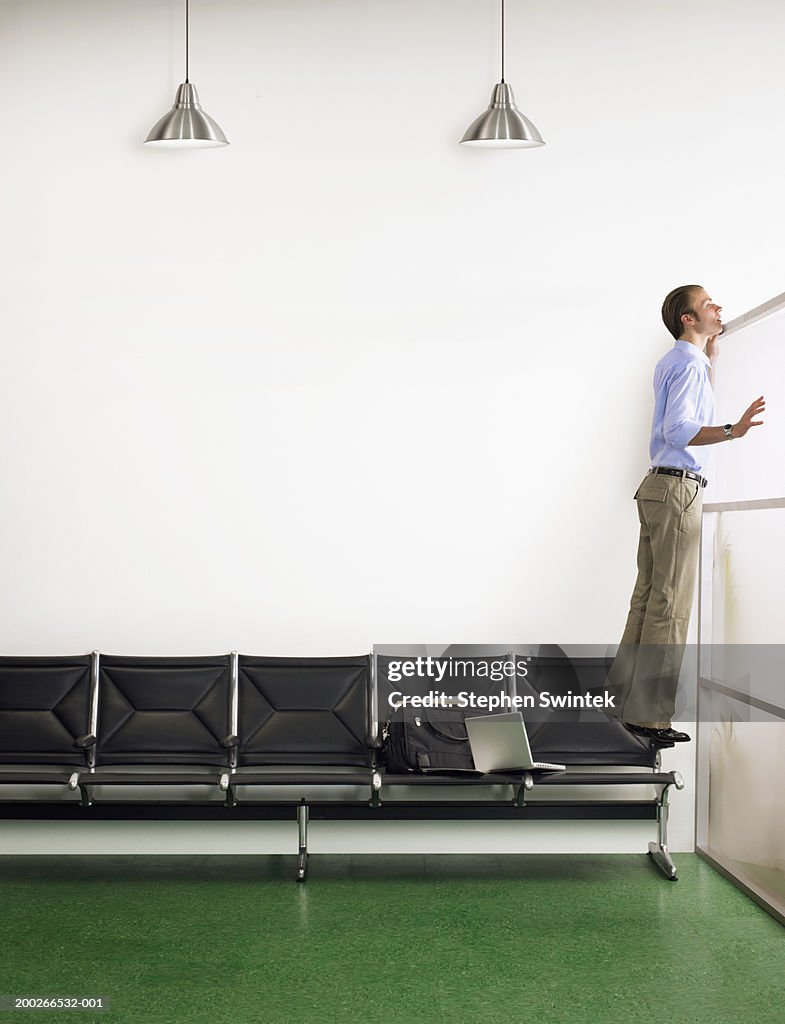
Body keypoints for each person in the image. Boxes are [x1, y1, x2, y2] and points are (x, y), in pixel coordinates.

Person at [606, 285, 765, 744]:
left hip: (657, 487)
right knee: (671, 608)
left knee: (648, 600)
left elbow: (684, 411)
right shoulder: (689, 365)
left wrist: (710, 358)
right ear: (688, 320)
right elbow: (680, 429)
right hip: (678, 489)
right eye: (708, 303)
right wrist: (733, 430)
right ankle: (649, 717)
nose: (718, 306)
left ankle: (621, 704)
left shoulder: (676, 362)